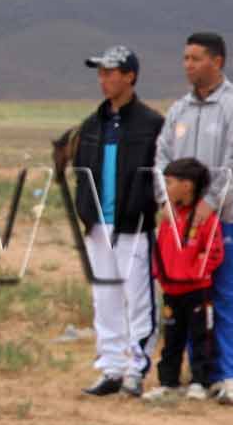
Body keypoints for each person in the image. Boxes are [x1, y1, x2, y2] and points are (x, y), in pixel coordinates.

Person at [161, 30, 233, 407]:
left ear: (217, 61)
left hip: (227, 216)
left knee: (228, 293)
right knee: (187, 295)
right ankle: (200, 374)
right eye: (185, 58)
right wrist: (169, 202)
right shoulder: (178, 110)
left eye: (195, 58)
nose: (188, 65)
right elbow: (162, 157)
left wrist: (211, 202)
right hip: (183, 223)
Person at [69, 45, 163, 396]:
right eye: (100, 73)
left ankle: (135, 369)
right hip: (97, 225)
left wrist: (144, 206)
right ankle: (110, 368)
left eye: (110, 72)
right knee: (104, 298)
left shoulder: (152, 124)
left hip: (133, 224)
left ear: (130, 76)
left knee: (138, 299)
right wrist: (85, 210)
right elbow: (82, 172)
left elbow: (161, 172)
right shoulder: (92, 125)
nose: (104, 79)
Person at [147, 156, 223, 402]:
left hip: (197, 290)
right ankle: (168, 383)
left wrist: (194, 272)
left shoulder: (205, 217)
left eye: (169, 183)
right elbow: (162, 247)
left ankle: (200, 382)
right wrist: (160, 272)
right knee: (171, 339)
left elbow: (214, 251)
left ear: (187, 186)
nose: (165, 188)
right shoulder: (170, 217)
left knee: (201, 338)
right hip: (171, 290)